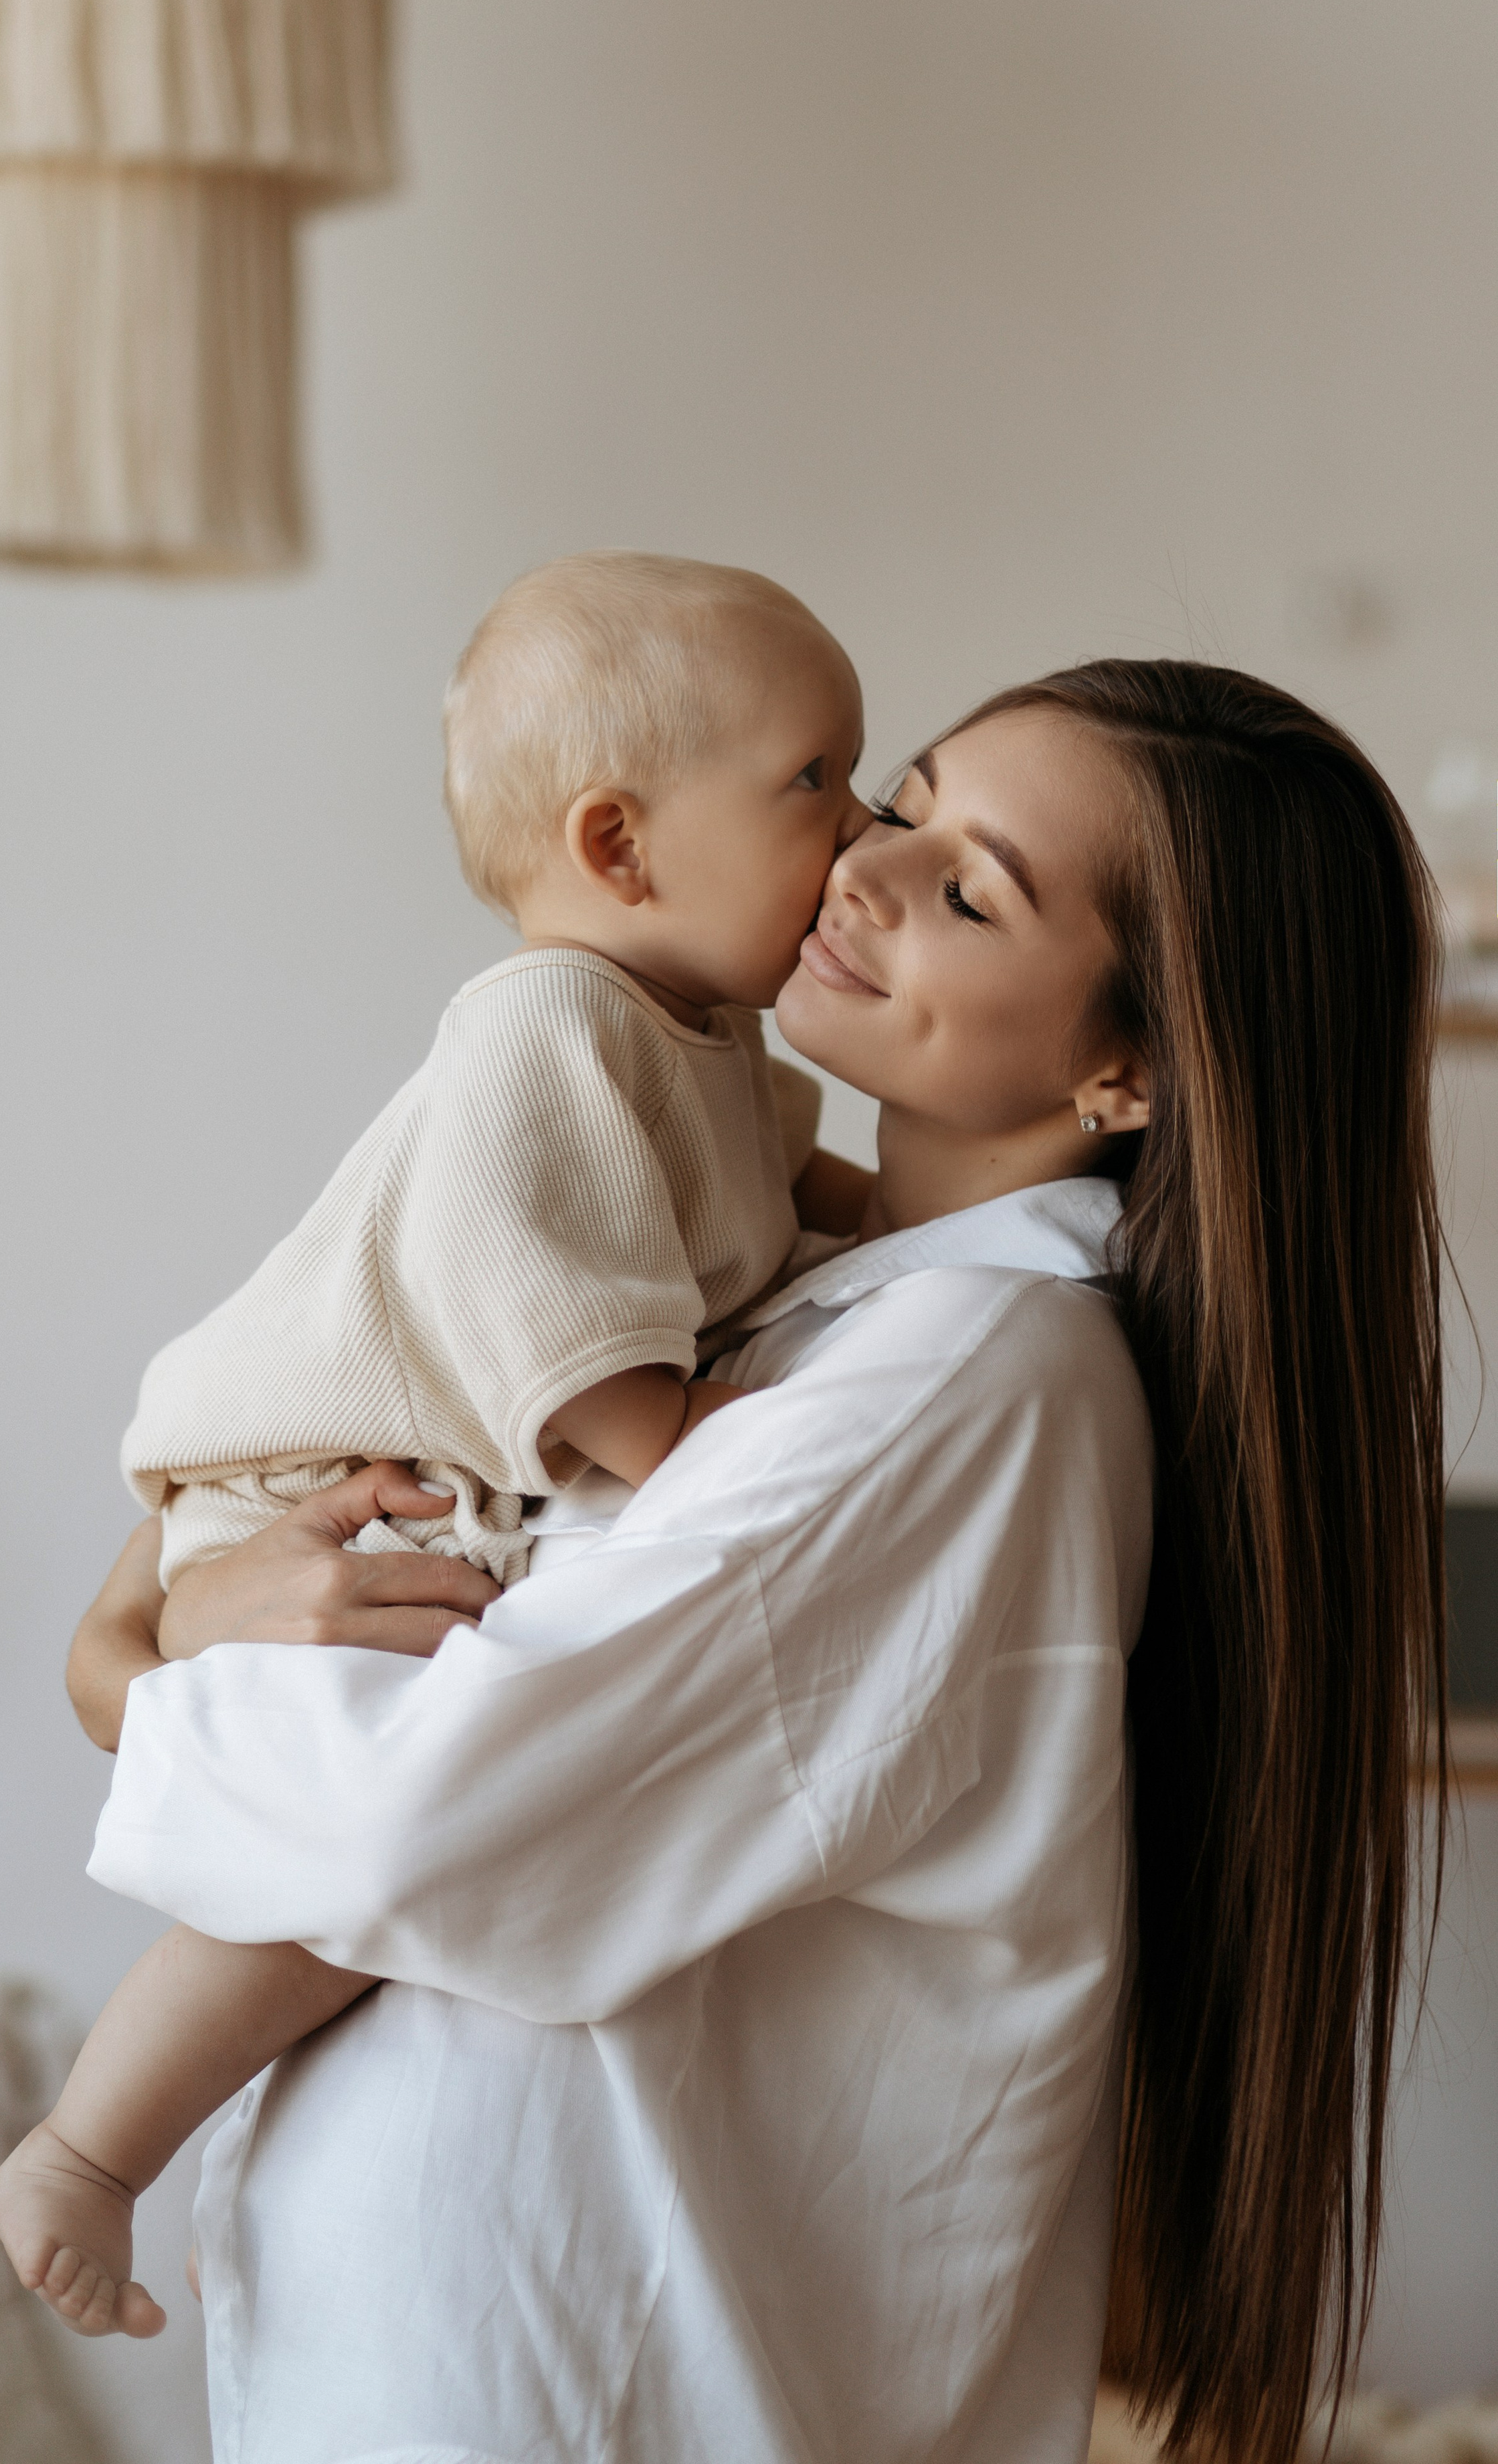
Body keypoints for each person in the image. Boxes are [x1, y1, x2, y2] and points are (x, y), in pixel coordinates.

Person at [72, 661, 1446, 2464]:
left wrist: (131, 1676)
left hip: (572, 2395)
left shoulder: (966, 1373)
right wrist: (172, 1613)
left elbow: (438, 1811)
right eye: (902, 804)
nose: (864, 870)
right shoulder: (784, 1296)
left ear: (1128, 1073)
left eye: (972, 892)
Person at [0, 551, 875, 2335]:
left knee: (400, 1844)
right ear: (619, 847)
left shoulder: (706, 1037)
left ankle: (184, 2155)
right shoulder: (548, 1025)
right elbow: (523, 1281)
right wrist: (674, 1432)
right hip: (323, 1477)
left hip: (414, 1481)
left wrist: (941, 1231)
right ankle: (88, 2146)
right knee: (364, 1839)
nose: (856, 832)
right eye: (816, 780)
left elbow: (811, 1200)